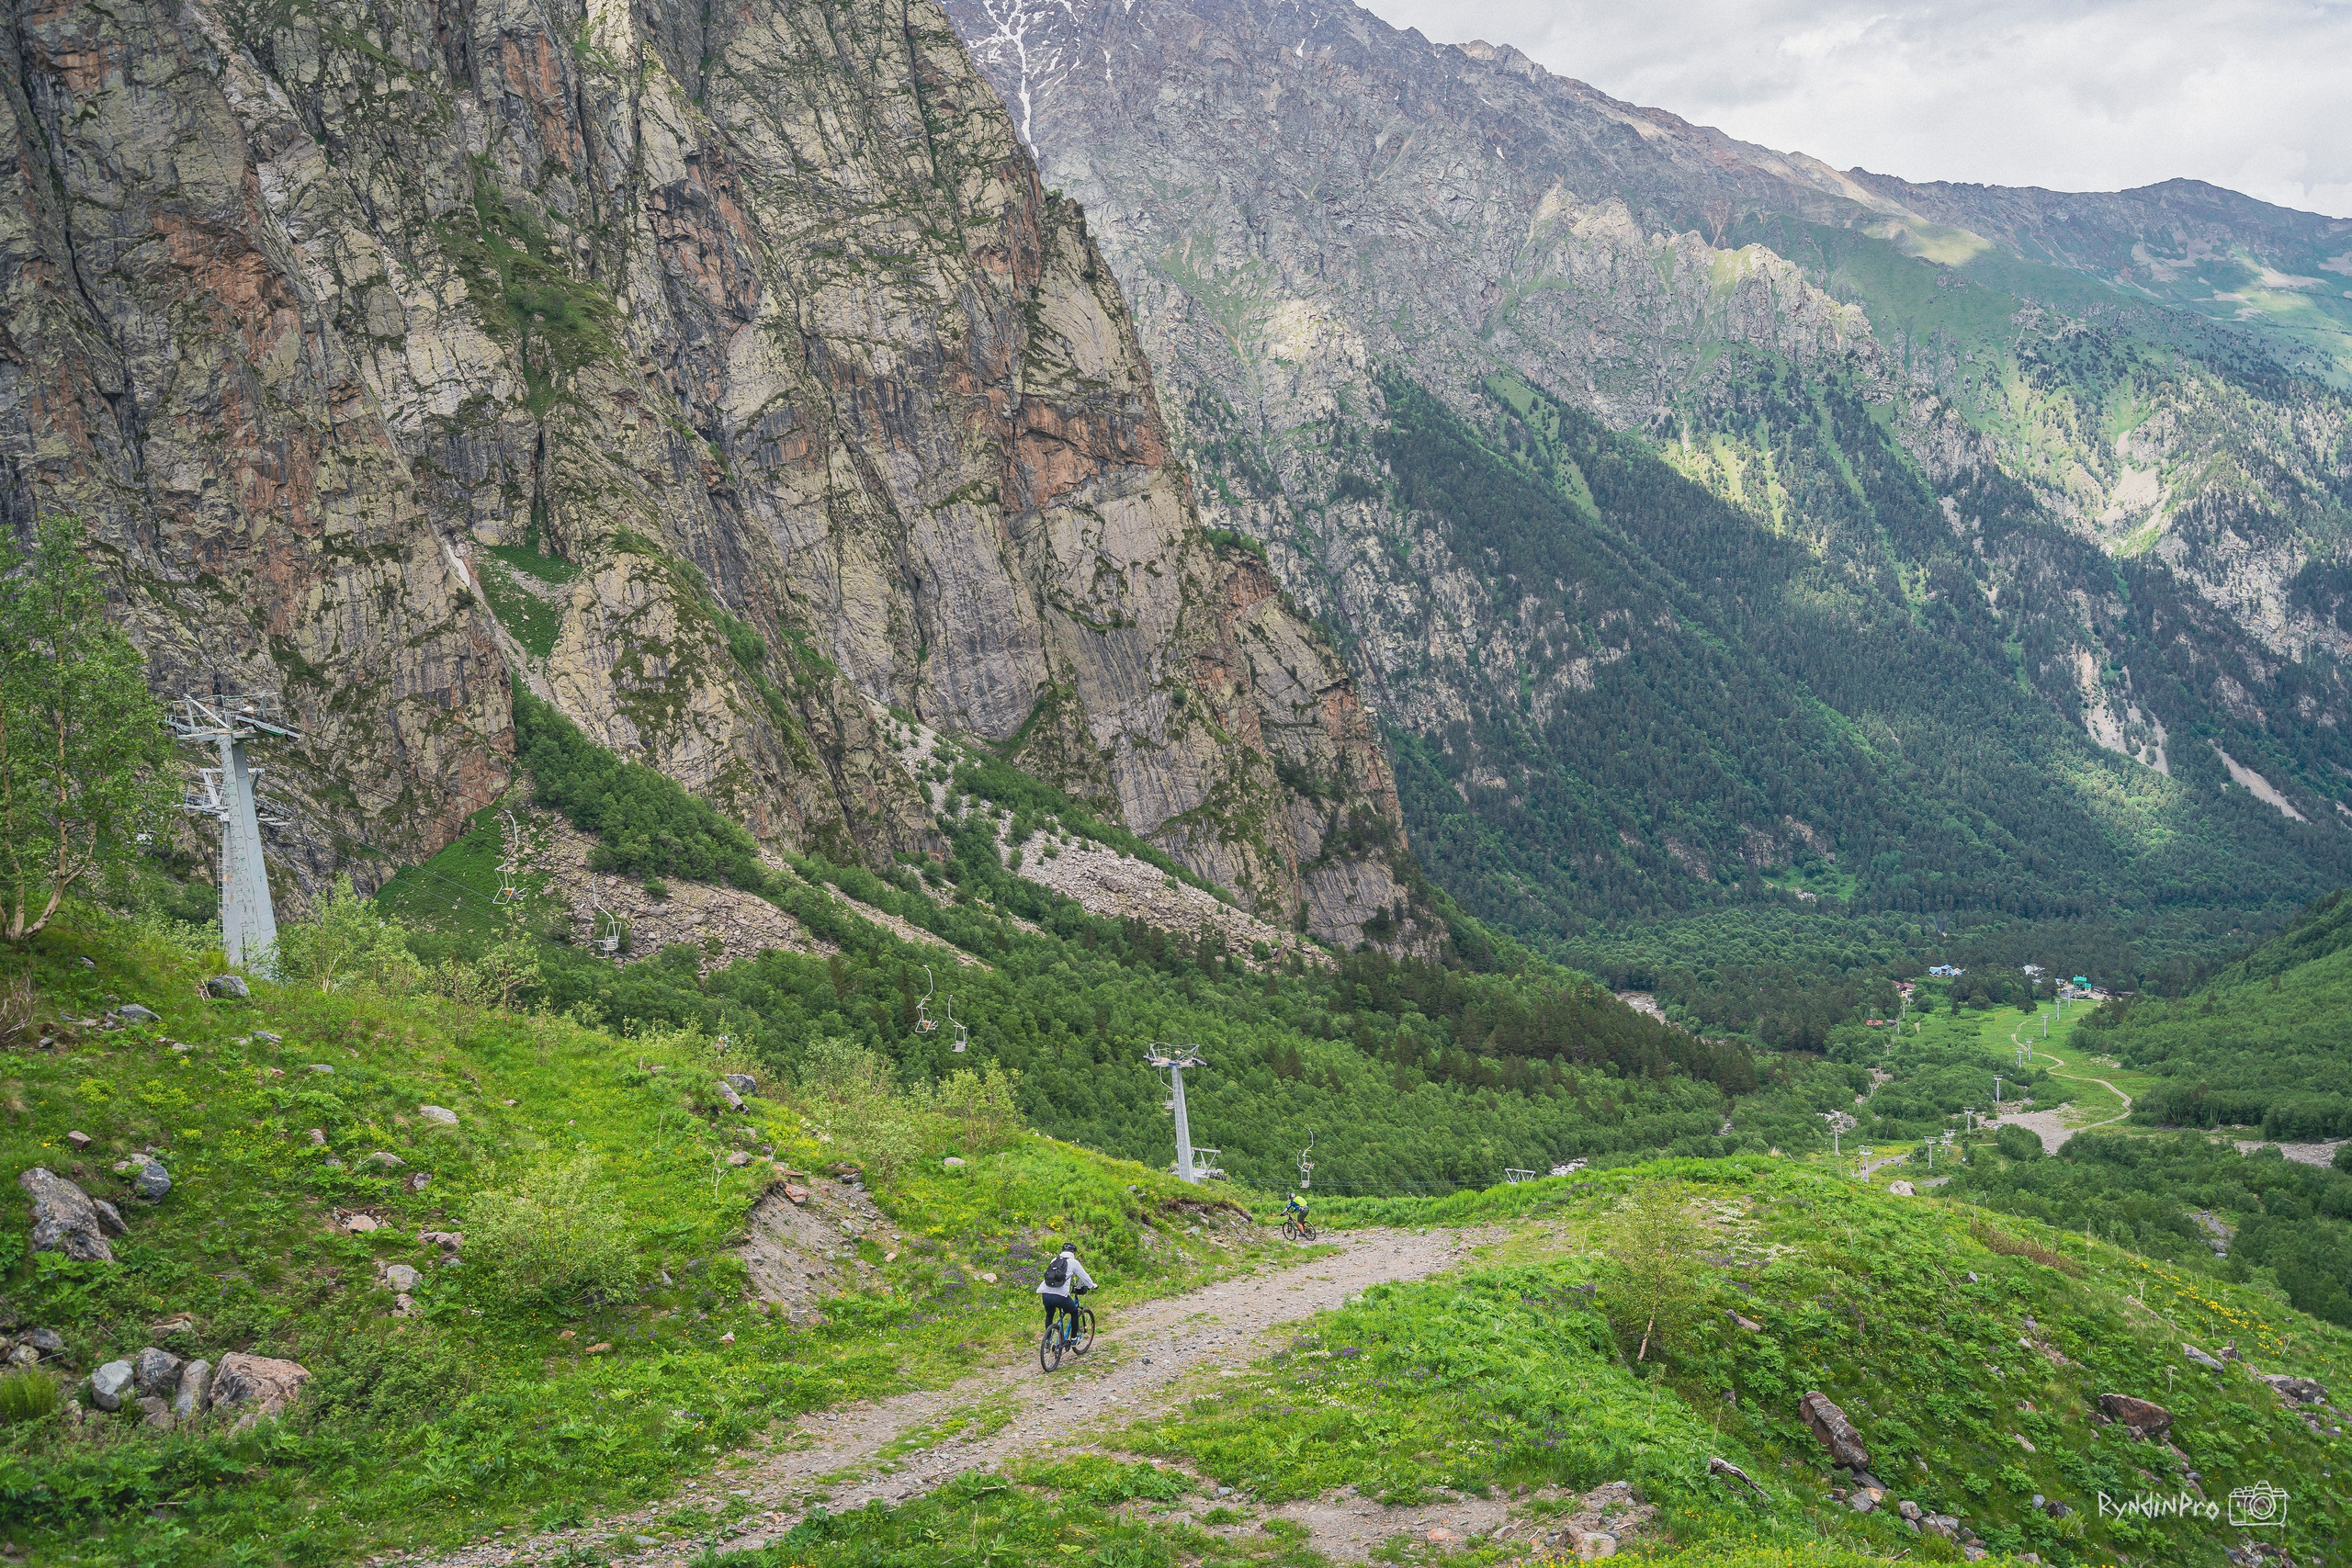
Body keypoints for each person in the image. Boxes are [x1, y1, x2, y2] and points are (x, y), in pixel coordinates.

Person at [1037, 1241, 1094, 1348]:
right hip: (1060, 1296)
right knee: (1074, 1312)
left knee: (1049, 1314)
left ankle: (1048, 1341)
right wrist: (1092, 1286)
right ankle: (1073, 1339)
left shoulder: (1054, 1260)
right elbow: (1084, 1277)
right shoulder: (1074, 1262)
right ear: (1073, 1252)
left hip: (1045, 1293)